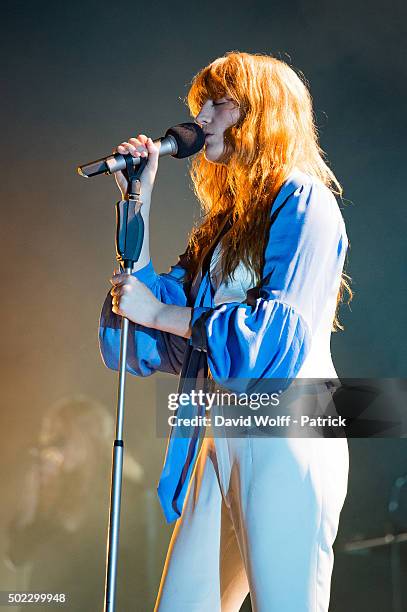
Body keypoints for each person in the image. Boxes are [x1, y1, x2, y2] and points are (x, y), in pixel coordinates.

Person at [99, 51, 352, 612]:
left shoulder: (306, 201)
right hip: (222, 427)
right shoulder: (227, 225)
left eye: (219, 104)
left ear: (262, 114)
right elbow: (155, 315)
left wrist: (159, 314)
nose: (202, 117)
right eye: (200, 105)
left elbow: (275, 336)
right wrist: (137, 198)